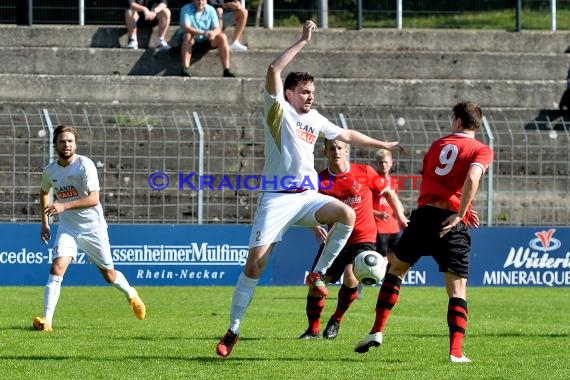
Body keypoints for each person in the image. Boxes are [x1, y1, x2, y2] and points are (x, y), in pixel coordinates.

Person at [215, 20, 404, 358]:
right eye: (304, 91)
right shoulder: (277, 111)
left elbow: (346, 136)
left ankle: (318, 272)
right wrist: (303, 40)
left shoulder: (315, 118)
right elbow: (274, 67)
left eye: (312, 91)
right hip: (276, 200)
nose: (310, 95)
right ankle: (233, 330)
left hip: (306, 198)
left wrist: (381, 142)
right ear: (289, 93)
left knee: (346, 213)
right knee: (254, 266)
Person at [354, 101, 493, 364]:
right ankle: (455, 352)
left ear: (458, 121)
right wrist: (461, 211)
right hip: (450, 223)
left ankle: (377, 331)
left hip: (424, 216)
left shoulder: (437, 145)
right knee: (457, 289)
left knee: (396, 270)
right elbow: (472, 178)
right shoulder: (481, 149)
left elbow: (435, 178)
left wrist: (458, 206)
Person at [33, 125, 146, 332]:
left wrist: (63, 205)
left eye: (70, 141)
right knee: (57, 268)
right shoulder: (50, 171)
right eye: (62, 141)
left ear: (75, 144)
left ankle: (131, 294)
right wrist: (45, 223)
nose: (66, 145)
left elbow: (94, 199)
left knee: (109, 276)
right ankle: (47, 321)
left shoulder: (85, 165)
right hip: (68, 228)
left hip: (93, 228)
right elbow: (43, 192)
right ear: (55, 145)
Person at [299, 139, 407, 341]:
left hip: (363, 239)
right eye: (332, 148)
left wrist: (399, 215)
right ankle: (312, 330)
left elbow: (389, 193)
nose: (336, 152)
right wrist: (315, 227)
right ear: (325, 151)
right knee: (317, 284)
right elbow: (303, 206)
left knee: (351, 277)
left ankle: (336, 319)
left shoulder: (364, 171)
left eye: (340, 148)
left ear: (346, 150)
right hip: (335, 240)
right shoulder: (319, 180)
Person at [180, 0, 236, 78]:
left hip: (206, 40)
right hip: (192, 39)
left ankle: (226, 69)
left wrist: (213, 33)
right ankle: (185, 68)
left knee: (222, 37)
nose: (200, 2)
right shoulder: (186, 9)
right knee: (187, 36)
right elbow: (186, 27)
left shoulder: (211, 9)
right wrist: (202, 33)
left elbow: (217, 28)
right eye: (198, 0)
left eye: (202, 0)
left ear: (206, 1)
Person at [373, 149, 406, 261]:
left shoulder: (394, 182)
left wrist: (400, 212)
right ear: (376, 163)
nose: (383, 165)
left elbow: (394, 201)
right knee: (381, 260)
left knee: (396, 259)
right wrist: (378, 214)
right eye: (381, 162)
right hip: (379, 228)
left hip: (394, 227)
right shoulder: (373, 181)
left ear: (392, 162)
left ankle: (390, 278)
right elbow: (365, 206)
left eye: (386, 162)